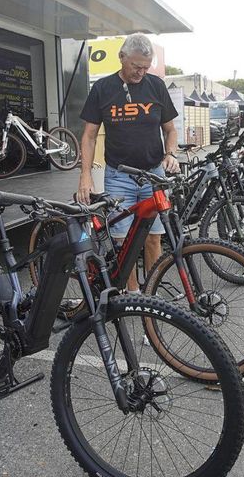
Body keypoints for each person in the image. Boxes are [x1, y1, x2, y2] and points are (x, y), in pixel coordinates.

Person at [76, 33, 179, 293]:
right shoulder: (102, 89)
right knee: (124, 242)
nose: (141, 72)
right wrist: (85, 175)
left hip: (153, 175)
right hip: (119, 176)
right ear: (121, 57)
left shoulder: (155, 86)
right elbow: (88, 136)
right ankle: (133, 294)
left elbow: (170, 129)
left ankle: (151, 295)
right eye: (136, 66)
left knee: (153, 238)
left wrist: (171, 154)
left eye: (146, 67)